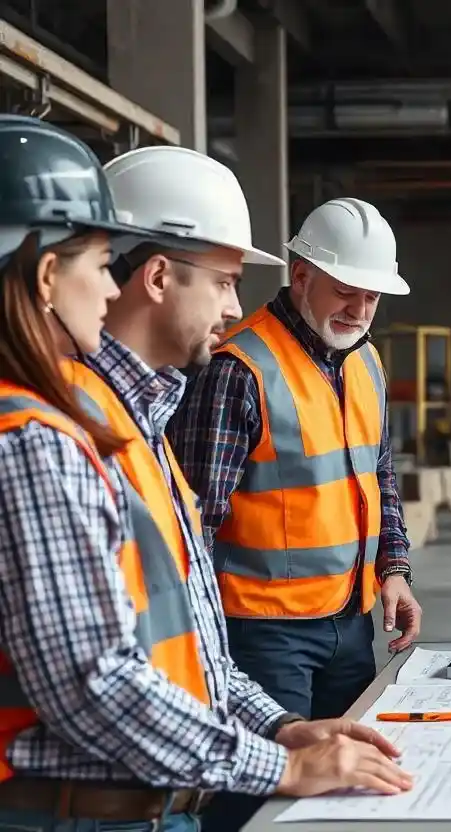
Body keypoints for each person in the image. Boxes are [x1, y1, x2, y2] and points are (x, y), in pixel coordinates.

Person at [0, 118, 410, 832]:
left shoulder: (136, 422)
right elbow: (91, 684)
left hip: (171, 788)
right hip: (91, 812)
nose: (232, 306)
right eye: (224, 281)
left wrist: (279, 727)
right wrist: (279, 765)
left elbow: (186, 642)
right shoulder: (44, 439)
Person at [167, 197, 419, 726]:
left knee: (339, 785)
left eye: (372, 297)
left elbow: (381, 479)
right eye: (346, 293)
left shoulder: (366, 360)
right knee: (263, 796)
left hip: (351, 624)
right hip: (262, 634)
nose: (360, 311)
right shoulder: (237, 369)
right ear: (301, 277)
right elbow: (193, 525)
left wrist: (393, 570)